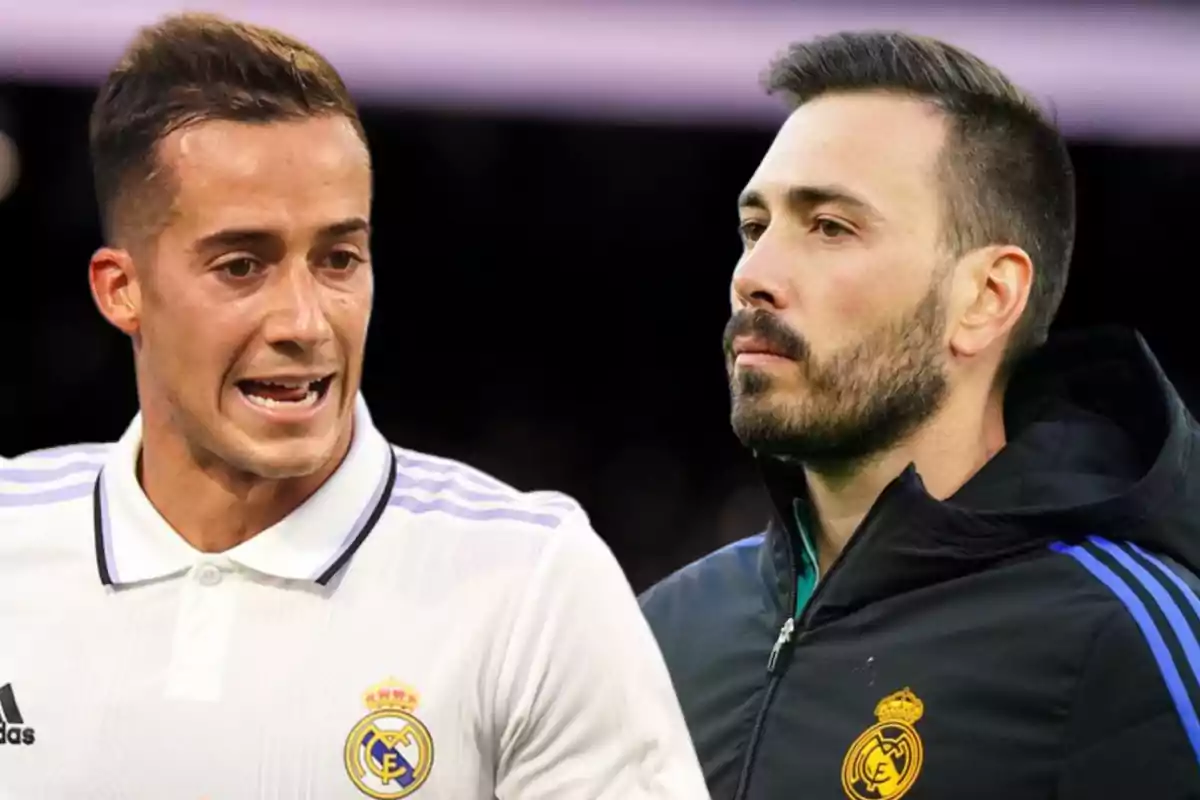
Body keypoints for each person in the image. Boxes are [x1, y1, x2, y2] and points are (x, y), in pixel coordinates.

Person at [0, 13, 708, 799]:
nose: (306, 322)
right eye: (242, 266)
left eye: (338, 259)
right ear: (121, 289)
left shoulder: (529, 585)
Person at [639, 30, 1200, 800]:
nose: (753, 275)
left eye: (830, 226)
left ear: (986, 299)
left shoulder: (1122, 637)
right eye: (755, 227)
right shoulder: (665, 628)